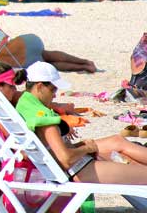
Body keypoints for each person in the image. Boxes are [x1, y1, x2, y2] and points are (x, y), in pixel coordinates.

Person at [16, 62, 147, 184]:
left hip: (75, 164)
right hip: (79, 169)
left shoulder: (25, 105)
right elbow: (65, 159)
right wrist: (86, 149)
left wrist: (80, 146)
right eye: (53, 89)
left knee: (121, 149)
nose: (55, 95)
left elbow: (52, 149)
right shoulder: (43, 118)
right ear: (39, 86)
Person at [0, 34, 96, 72]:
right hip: (22, 45)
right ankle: (85, 62)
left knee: (50, 65)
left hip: (19, 61)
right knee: (48, 55)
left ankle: (84, 67)